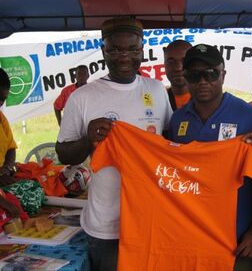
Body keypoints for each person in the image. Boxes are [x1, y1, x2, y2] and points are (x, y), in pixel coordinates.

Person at [55, 18, 172, 271]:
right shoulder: (82, 97)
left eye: (132, 49)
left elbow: (172, 145)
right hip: (106, 226)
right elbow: (63, 154)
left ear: (142, 50)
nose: (124, 57)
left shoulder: (157, 90)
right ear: (103, 50)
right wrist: (88, 140)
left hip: (151, 219)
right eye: (116, 49)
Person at [168, 44, 252, 271]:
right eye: (195, 75)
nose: (203, 81)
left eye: (211, 73)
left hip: (236, 241)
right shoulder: (177, 120)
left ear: (223, 74)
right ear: (185, 77)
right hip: (187, 239)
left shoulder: (251, 118)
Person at [0, 68, 20, 214]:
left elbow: (11, 148)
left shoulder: (1, 119)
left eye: (3, 100)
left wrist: (6, 169)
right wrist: (6, 204)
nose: (0, 104)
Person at [163, 39, 192, 110]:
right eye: (171, 61)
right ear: (165, 64)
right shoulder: (157, 99)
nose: (178, 68)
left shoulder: (208, 101)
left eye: (184, 61)